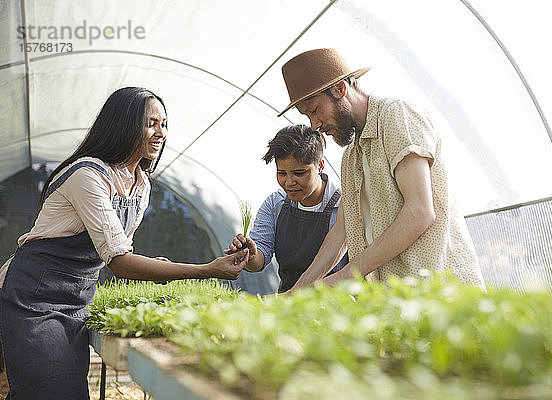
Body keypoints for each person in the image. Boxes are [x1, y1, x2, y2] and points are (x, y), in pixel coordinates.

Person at [0, 87, 248, 400]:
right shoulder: (88, 175)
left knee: (55, 391)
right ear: (125, 125)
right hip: (33, 299)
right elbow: (119, 262)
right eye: (151, 123)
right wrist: (206, 269)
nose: (161, 133)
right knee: (50, 391)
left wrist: (155, 265)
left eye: (164, 124)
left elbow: (117, 250)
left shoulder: (140, 184)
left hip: (77, 300)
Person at [275, 48, 485, 290]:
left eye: (315, 110)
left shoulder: (397, 115)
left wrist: (345, 276)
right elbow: (340, 231)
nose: (315, 125)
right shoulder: (351, 155)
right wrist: (295, 293)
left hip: (443, 294)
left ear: (340, 89)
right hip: (397, 299)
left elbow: (419, 211)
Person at [226, 125, 348, 293]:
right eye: (281, 173)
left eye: (299, 173)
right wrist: (250, 256)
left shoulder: (344, 205)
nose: (289, 182)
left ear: (320, 166)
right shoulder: (275, 204)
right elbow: (259, 260)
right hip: (287, 307)